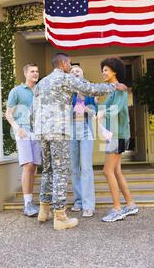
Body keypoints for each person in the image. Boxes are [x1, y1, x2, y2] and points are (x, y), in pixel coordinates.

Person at [32, 52, 127, 231]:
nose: (70, 66)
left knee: (48, 170)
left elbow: (32, 109)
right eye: (69, 63)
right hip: (58, 131)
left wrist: (36, 129)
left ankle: (44, 210)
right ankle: (60, 216)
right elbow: (90, 89)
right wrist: (114, 87)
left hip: (42, 131)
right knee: (60, 171)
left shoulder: (42, 82)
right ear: (63, 63)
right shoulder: (64, 78)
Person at [97, 57, 139, 222]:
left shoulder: (120, 89)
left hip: (117, 135)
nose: (103, 73)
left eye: (106, 70)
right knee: (116, 171)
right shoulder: (112, 90)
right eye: (103, 70)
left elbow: (117, 109)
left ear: (115, 71)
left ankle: (117, 209)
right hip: (115, 135)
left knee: (107, 171)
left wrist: (103, 113)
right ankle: (130, 204)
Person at [5, 63, 41, 217]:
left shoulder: (40, 91)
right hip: (24, 131)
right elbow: (8, 113)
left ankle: (30, 200)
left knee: (34, 167)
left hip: (38, 132)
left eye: (37, 71)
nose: (35, 73)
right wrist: (16, 127)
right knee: (28, 165)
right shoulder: (17, 91)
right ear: (25, 74)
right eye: (32, 71)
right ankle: (27, 204)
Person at [70, 65, 97, 218]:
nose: (75, 73)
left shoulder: (89, 90)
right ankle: (78, 201)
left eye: (78, 71)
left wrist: (83, 105)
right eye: (72, 71)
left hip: (85, 130)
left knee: (86, 168)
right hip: (70, 130)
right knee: (73, 168)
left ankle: (88, 205)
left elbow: (93, 112)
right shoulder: (66, 91)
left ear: (83, 74)